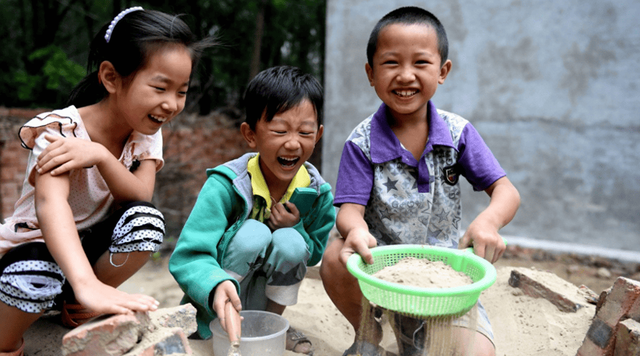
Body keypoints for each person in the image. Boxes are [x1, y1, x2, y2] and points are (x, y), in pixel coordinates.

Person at [0, 7, 213, 356]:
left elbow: (140, 195)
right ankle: (6, 344)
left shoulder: (145, 131)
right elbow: (50, 204)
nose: (171, 104)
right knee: (34, 271)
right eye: (160, 87)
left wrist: (99, 155)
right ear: (111, 78)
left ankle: (77, 307)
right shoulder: (58, 130)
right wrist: (84, 282)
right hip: (36, 251)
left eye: (181, 91)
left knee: (145, 222)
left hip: (91, 250)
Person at [319, 6, 521, 356]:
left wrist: (489, 221)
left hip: (443, 284)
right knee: (337, 255)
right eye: (391, 63)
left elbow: (506, 190)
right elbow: (349, 210)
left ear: (443, 71)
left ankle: (415, 336)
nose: (405, 75)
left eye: (421, 63)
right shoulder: (361, 142)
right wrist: (355, 230)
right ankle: (368, 336)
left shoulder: (458, 134)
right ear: (371, 73)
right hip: (379, 275)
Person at [169, 65, 335, 354]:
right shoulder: (226, 186)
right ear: (251, 135)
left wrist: (293, 227)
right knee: (253, 233)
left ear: (318, 134)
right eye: (280, 130)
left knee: (291, 242)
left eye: (305, 132)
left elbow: (314, 254)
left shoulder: (317, 193)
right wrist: (214, 287)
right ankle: (214, 323)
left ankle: (271, 324)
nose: (293, 143)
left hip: (266, 300)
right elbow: (188, 256)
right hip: (214, 302)